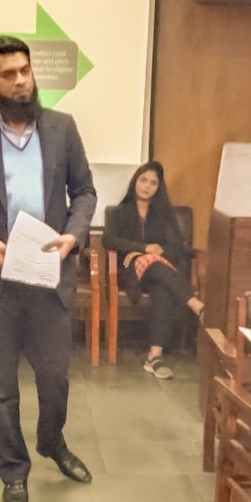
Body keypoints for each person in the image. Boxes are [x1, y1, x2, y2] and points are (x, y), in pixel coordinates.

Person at [0, 35, 97, 502]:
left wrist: (73, 235)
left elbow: (85, 192)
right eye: (8, 75)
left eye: (25, 71)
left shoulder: (62, 128)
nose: (21, 81)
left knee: (54, 379)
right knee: (1, 390)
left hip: (49, 277)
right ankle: (13, 471)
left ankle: (51, 441)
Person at [102, 161, 204, 379]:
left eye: (153, 183)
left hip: (159, 274)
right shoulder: (119, 211)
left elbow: (177, 245)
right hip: (130, 272)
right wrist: (143, 249)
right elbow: (108, 240)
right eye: (143, 180)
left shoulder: (164, 214)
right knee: (150, 261)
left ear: (159, 188)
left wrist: (154, 255)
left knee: (163, 290)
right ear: (135, 182)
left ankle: (154, 357)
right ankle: (196, 305)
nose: (147, 186)